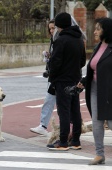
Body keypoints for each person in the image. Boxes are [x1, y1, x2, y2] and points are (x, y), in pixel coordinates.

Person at [48, 12, 86, 151]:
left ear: (59, 26)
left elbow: (55, 63)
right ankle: (75, 140)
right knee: (75, 110)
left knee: (63, 111)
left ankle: (63, 141)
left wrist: (53, 78)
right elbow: (82, 61)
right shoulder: (79, 39)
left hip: (62, 81)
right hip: (76, 79)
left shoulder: (61, 41)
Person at [77, 17, 112, 165]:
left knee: (111, 123)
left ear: (107, 30)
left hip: (109, 91)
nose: (95, 31)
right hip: (95, 89)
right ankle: (99, 154)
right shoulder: (98, 46)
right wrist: (84, 81)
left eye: (98, 28)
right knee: (97, 122)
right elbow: (94, 68)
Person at [30, 19, 57, 136]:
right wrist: (49, 56)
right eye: (50, 28)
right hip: (54, 76)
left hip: (59, 77)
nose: (51, 31)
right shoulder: (53, 40)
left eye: (53, 28)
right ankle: (43, 125)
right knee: (49, 100)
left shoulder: (60, 40)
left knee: (59, 104)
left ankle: (44, 126)